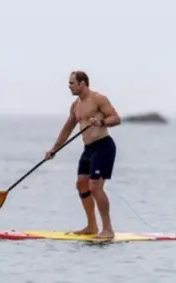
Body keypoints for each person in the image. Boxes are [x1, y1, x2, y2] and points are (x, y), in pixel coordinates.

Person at [44, 70, 122, 239]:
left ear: (82, 83)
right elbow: (67, 129)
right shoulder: (75, 106)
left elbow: (116, 118)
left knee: (95, 187)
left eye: (72, 83)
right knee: (81, 184)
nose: (69, 87)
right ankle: (92, 226)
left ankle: (108, 229)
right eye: (69, 83)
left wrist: (101, 121)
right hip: (88, 149)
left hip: (103, 146)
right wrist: (54, 149)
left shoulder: (98, 99)